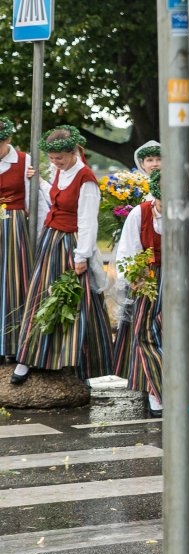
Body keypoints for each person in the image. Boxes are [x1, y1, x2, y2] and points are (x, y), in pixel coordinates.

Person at [12, 126, 112, 384]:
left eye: (60, 159)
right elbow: (54, 196)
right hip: (51, 239)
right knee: (40, 295)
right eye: (52, 159)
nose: (55, 163)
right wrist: (39, 180)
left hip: (71, 244)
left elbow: (88, 221)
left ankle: (79, 367)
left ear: (73, 152)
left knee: (75, 304)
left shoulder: (86, 178)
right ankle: (28, 358)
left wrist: (81, 256)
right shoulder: (60, 172)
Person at [112, 171, 189, 417]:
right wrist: (133, 277)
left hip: (180, 280)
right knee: (146, 335)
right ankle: (160, 392)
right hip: (149, 281)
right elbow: (127, 251)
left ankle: (186, 391)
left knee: (179, 338)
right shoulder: (140, 213)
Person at [0, 118, 39, 361]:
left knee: (14, 283)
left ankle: (14, 345)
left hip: (14, 224)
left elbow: (35, 201)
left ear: (9, 140)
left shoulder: (24, 160)